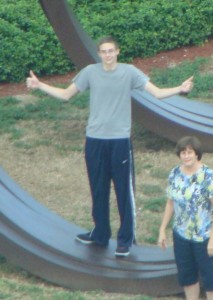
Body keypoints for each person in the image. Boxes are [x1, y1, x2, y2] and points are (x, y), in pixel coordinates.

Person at [26, 36, 193, 257]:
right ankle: (100, 234)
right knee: (98, 189)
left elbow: (157, 93)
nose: (107, 55)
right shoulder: (90, 72)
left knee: (124, 191)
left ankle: (125, 240)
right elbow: (66, 95)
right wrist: (40, 86)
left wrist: (180, 88)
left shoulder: (129, 72)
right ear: (99, 54)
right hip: (94, 140)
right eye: (103, 51)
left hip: (120, 141)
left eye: (111, 51)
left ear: (118, 52)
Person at [158, 136, 213, 300]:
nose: (186, 156)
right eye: (183, 152)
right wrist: (162, 229)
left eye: (190, 152)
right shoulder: (175, 173)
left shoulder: (208, 175)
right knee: (187, 278)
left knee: (211, 281)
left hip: (206, 236)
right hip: (182, 235)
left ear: (197, 154)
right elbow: (170, 203)